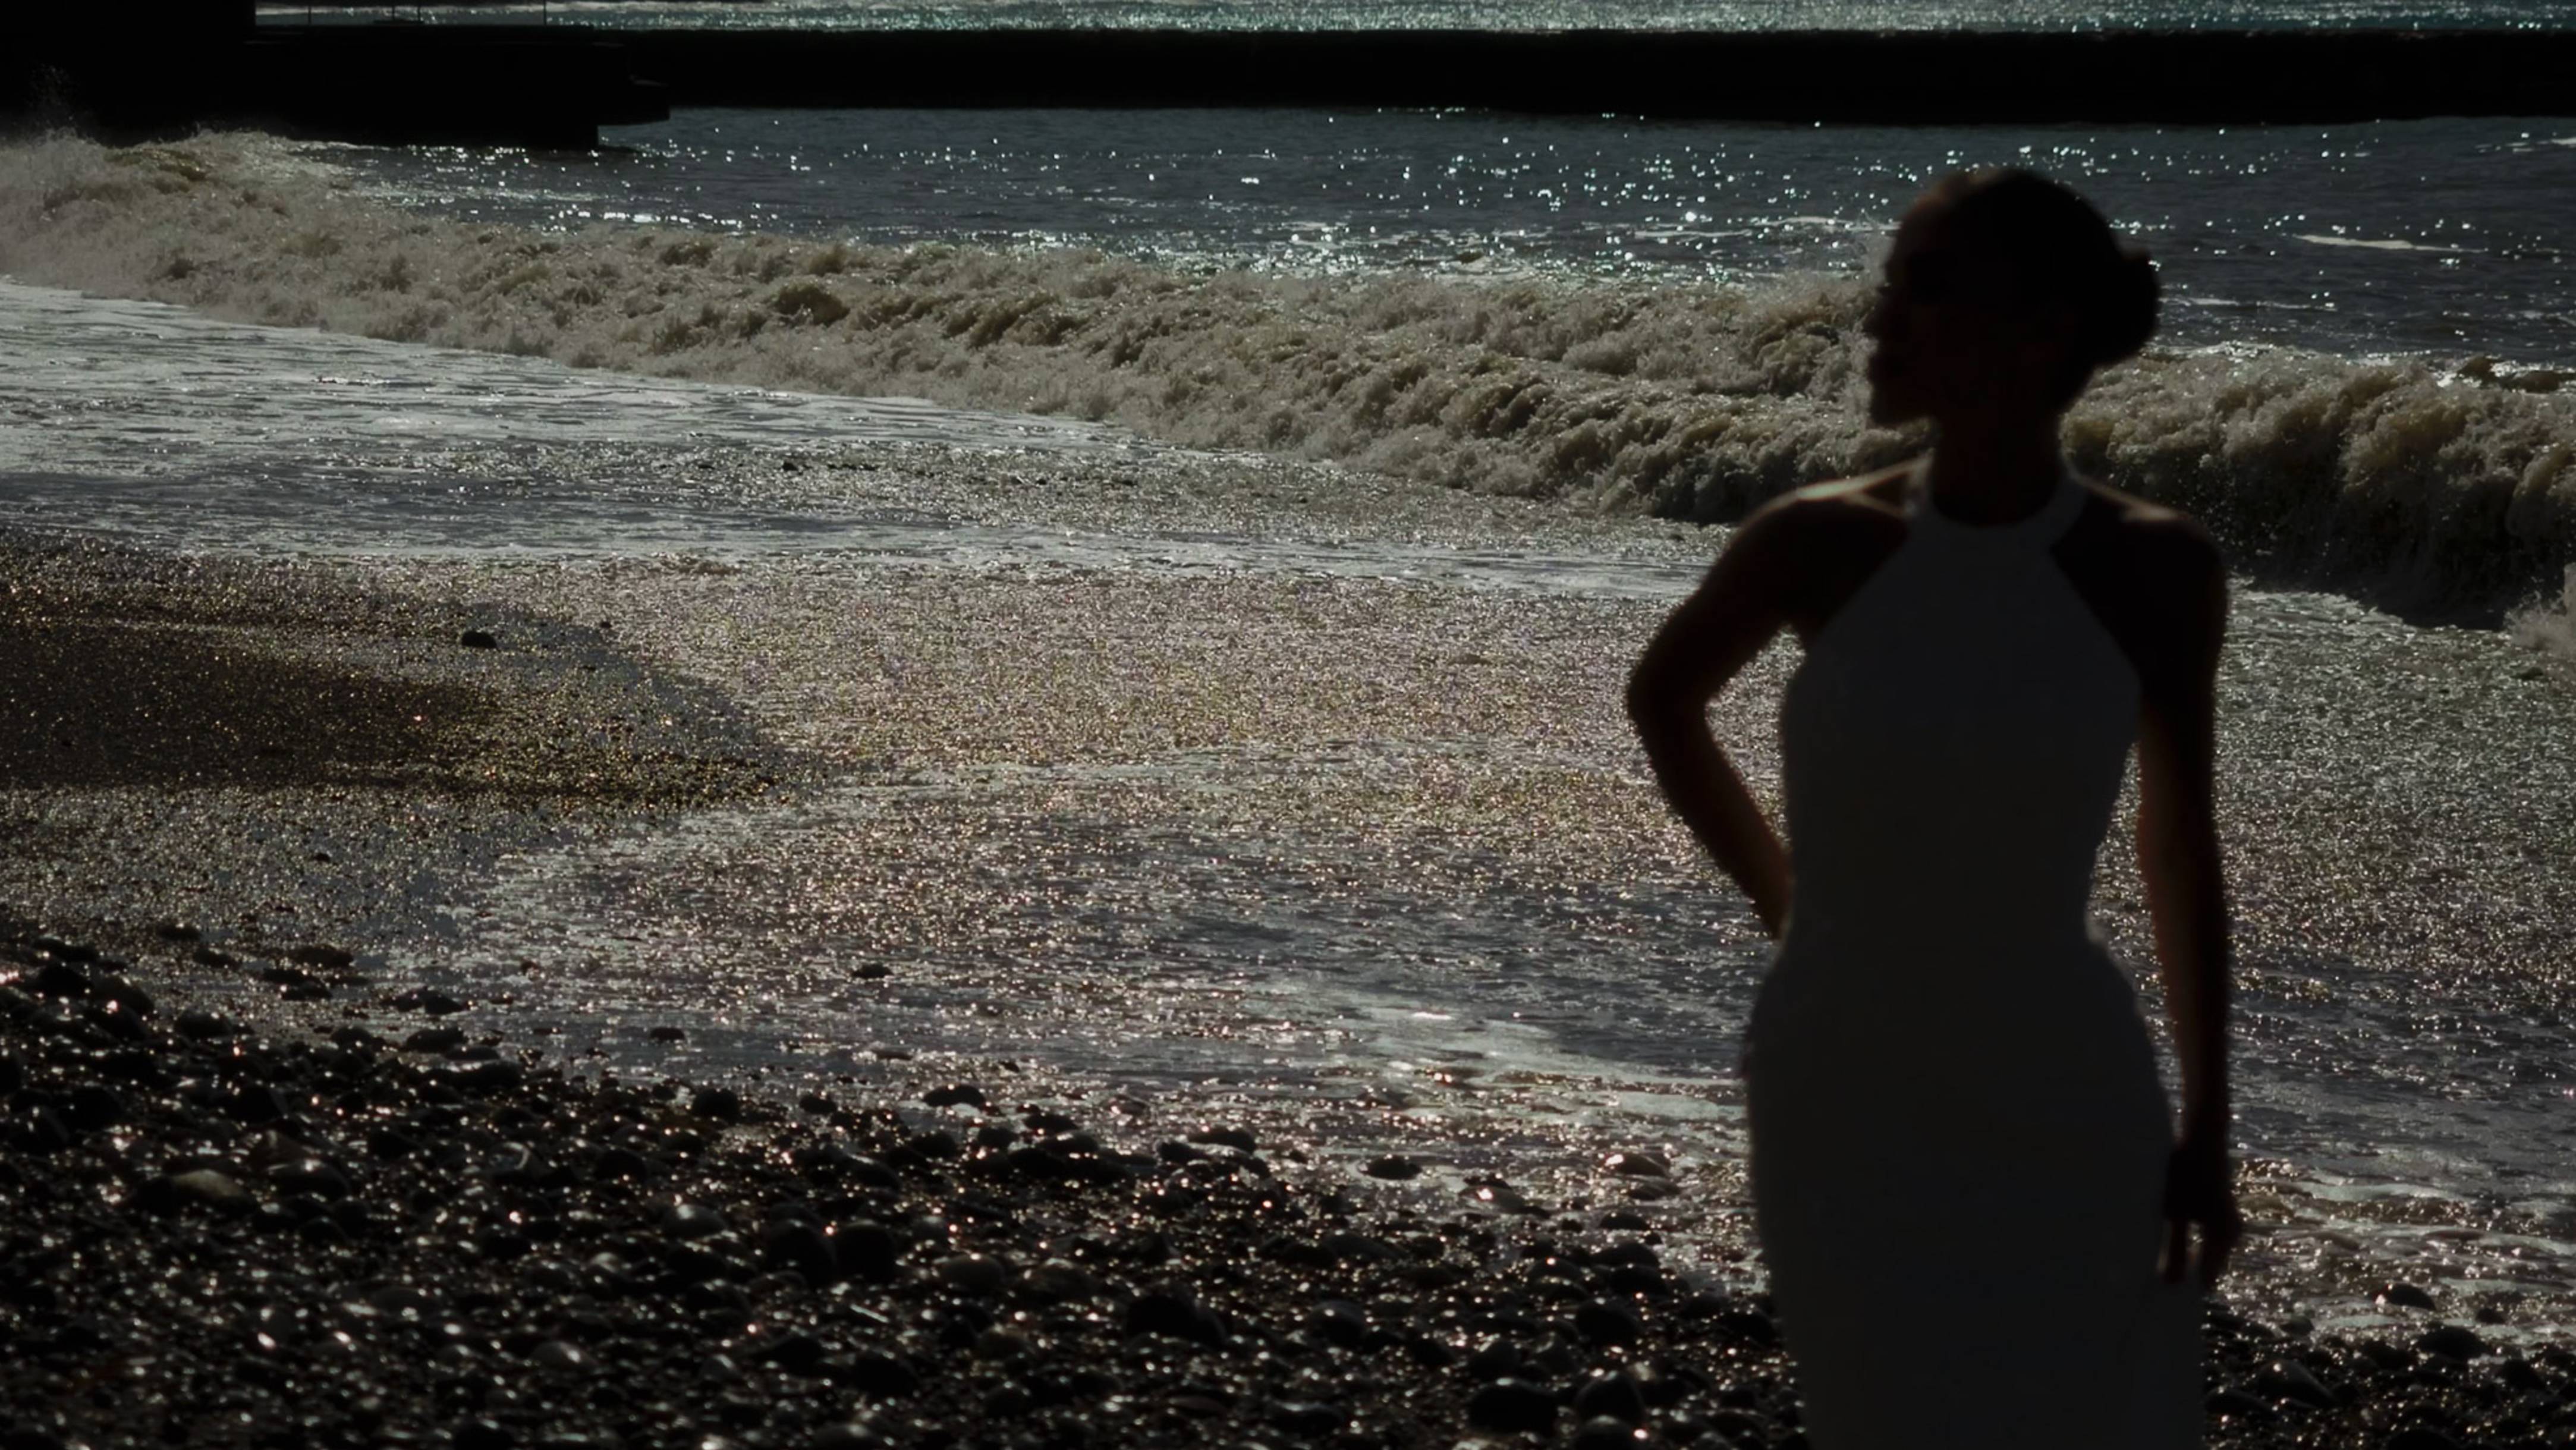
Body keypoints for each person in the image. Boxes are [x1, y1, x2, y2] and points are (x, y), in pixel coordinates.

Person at [1625, 169, 2240, 1448]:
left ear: (2043, 331)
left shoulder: (2157, 565)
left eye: (1929, 288)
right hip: (1840, 1068)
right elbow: (1662, 699)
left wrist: (2208, 1123)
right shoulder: (1815, 539)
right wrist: (1790, 910)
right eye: (1890, 286)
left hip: (2064, 1082)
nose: (1884, 318)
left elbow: (2179, 844)